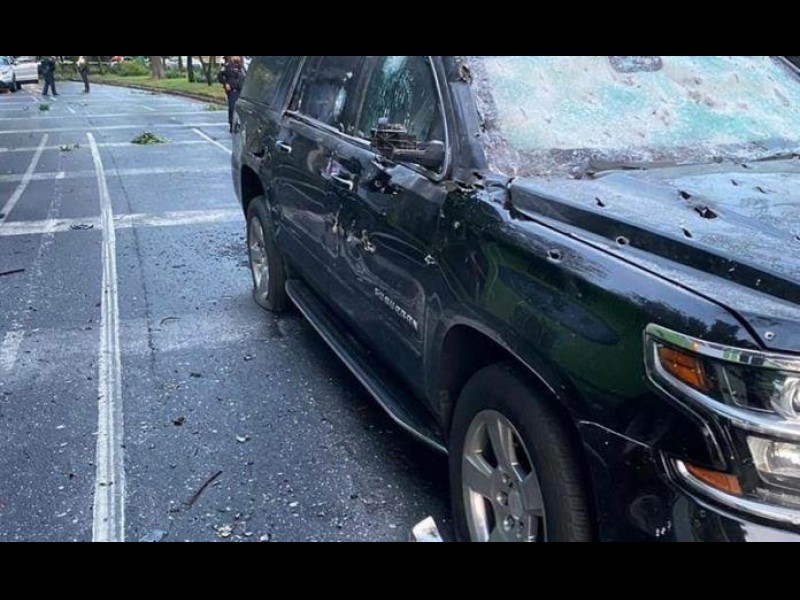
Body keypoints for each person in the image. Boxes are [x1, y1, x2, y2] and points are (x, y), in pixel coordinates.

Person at [217, 56, 246, 133]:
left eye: (238, 56)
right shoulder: (227, 66)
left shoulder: (242, 67)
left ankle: (239, 124)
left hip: (241, 90)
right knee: (232, 107)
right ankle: (232, 124)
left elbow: (245, 77)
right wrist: (225, 83)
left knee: (241, 109)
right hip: (232, 91)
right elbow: (220, 76)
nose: (236, 58)